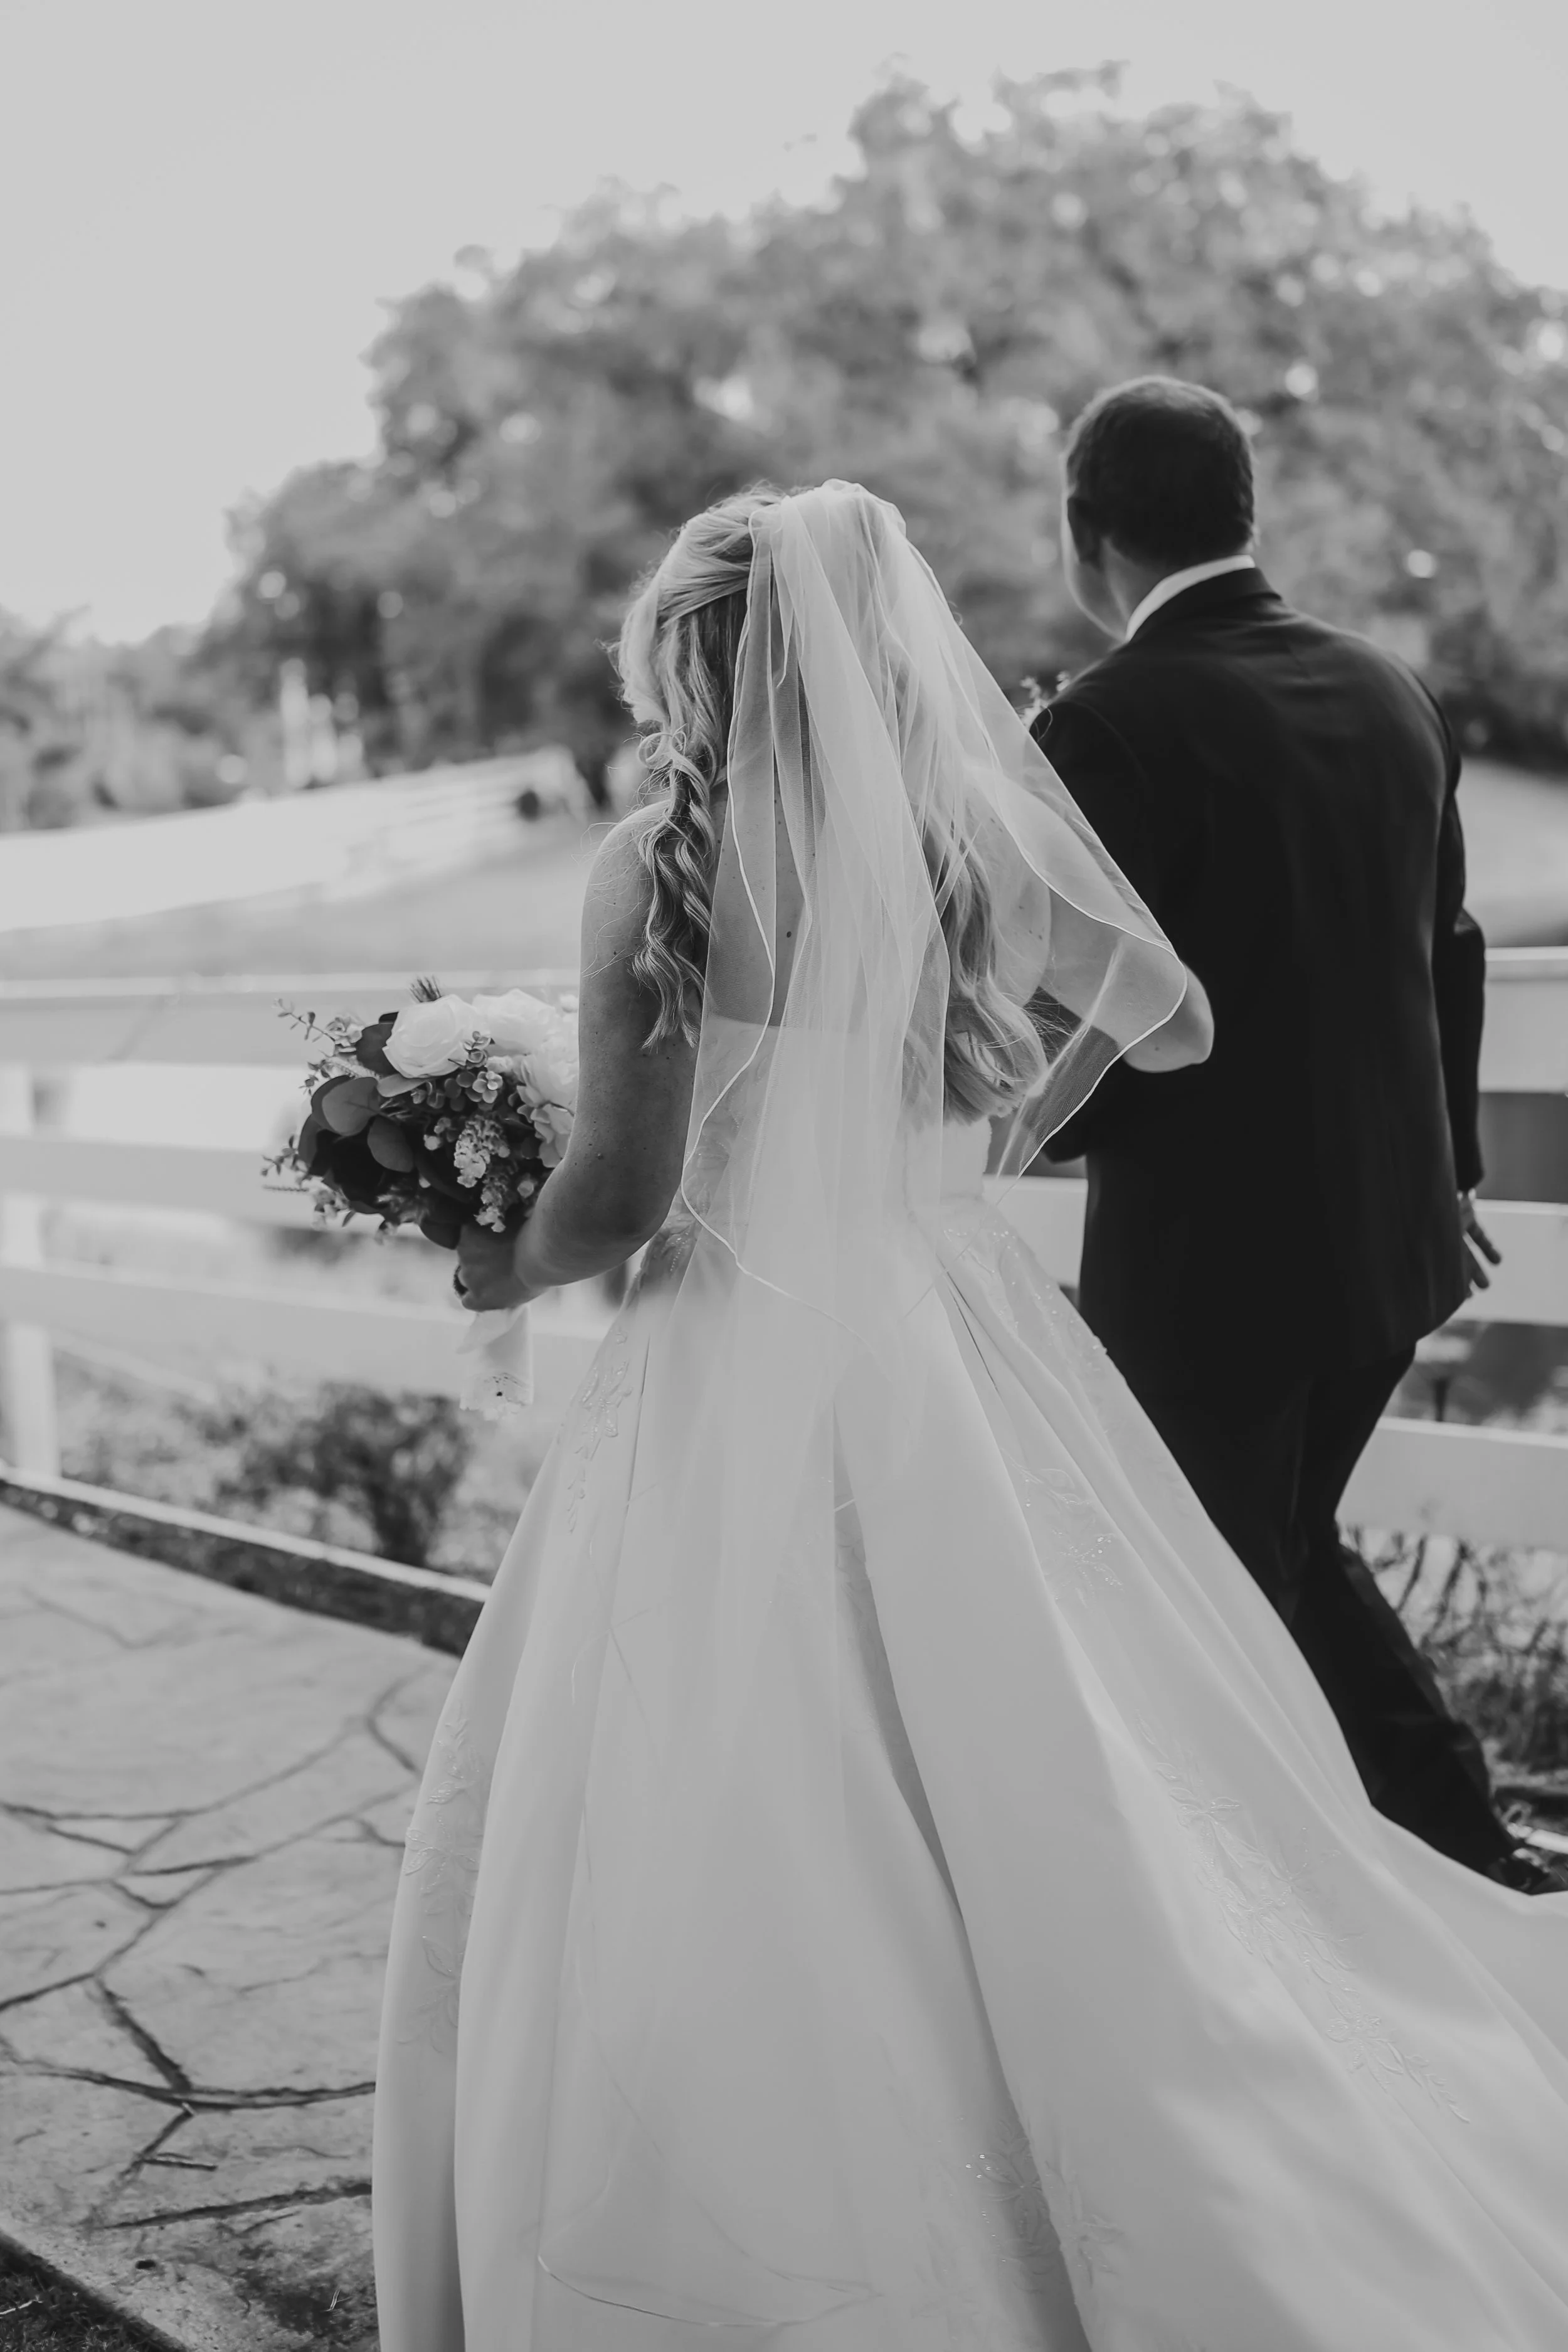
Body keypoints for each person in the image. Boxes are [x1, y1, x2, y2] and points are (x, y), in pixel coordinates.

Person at [374, 482, 1568, 2352]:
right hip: (949, 1325)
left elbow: (613, 1199)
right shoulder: (969, 842)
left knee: (730, 1740)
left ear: (695, 651)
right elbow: (1148, 1013)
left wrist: (502, 1264)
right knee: (1050, 1723)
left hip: (729, 1351)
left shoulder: (658, 862)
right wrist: (960, 1146)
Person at [1029, 375, 1541, 1886]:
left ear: (1085, 534)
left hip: (1210, 1270)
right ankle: (1461, 1843)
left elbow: (1090, 1009)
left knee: (1201, 1593)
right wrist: (1446, 1168)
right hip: (1385, 1248)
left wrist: (1043, 1131)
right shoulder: (1392, 687)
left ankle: (1282, 1914)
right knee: (1279, 1552)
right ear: (1242, 513)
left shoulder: (1102, 724)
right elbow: (1442, 946)